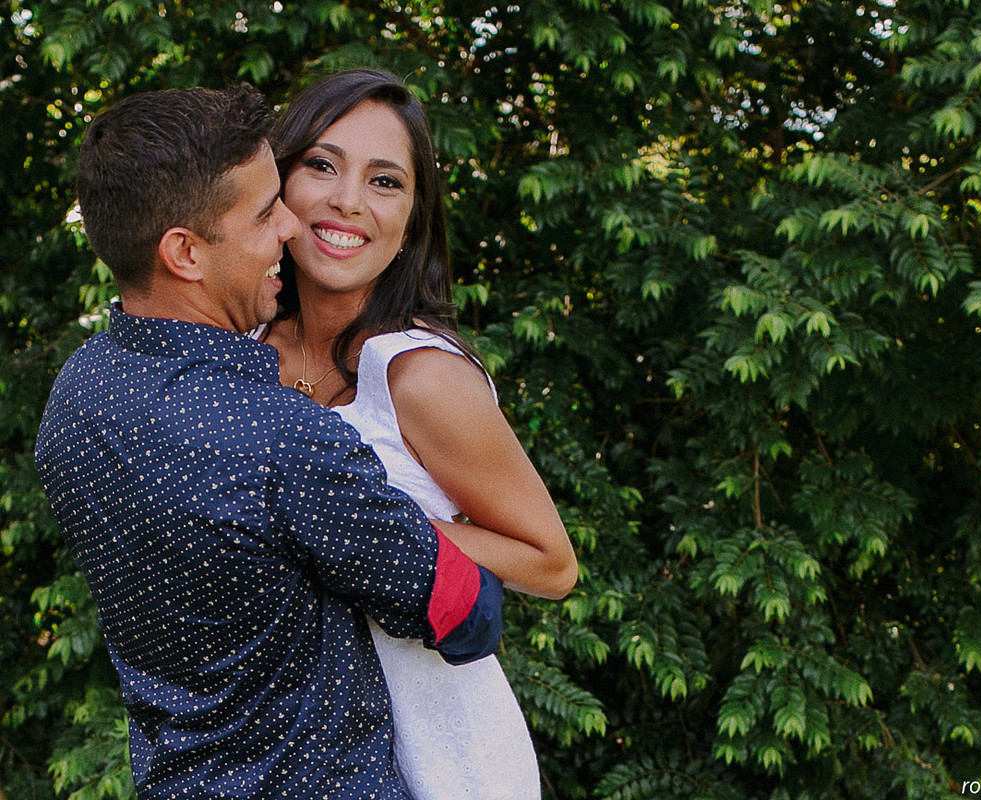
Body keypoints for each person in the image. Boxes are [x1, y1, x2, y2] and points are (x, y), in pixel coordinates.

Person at [34, 85, 505, 800]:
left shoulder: (76, 395)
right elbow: (468, 616)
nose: (292, 224)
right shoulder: (282, 440)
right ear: (185, 252)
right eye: (265, 213)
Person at [259, 69, 578, 799]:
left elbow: (552, 565)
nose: (347, 201)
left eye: (385, 182)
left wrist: (383, 529)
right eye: (322, 165)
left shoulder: (420, 375)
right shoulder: (242, 349)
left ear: (410, 223)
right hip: (283, 756)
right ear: (275, 186)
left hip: (441, 761)